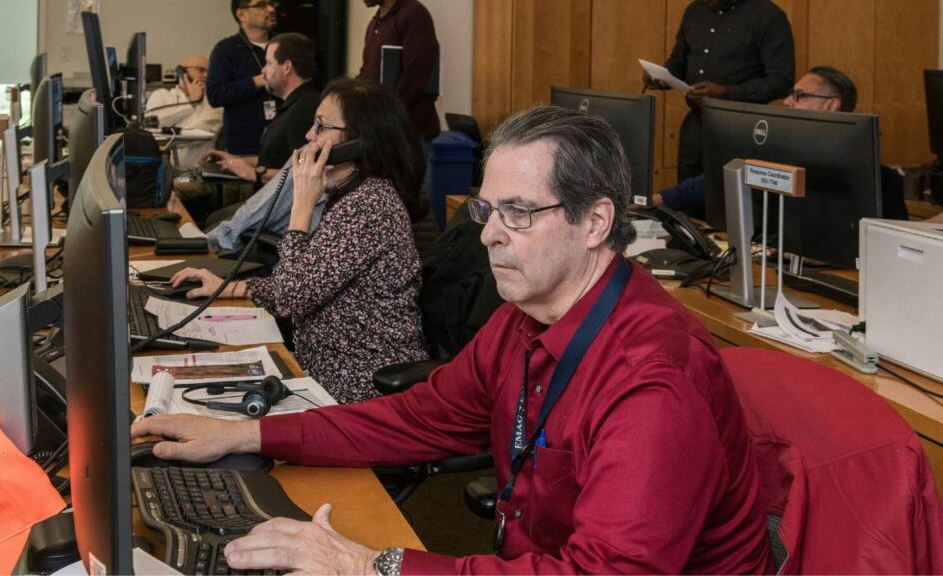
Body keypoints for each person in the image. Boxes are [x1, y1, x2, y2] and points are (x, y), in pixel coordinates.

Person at [134, 105, 774, 574]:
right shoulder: (524, 321)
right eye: (485, 210)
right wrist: (247, 435)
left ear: (595, 222)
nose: (490, 235)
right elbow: (417, 418)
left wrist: (370, 567)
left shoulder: (655, 379)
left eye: (518, 213)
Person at [171, 79, 428, 404]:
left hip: (359, 388)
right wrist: (228, 287)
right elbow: (303, 280)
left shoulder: (369, 205)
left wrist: (302, 205)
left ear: (359, 141)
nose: (309, 135)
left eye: (321, 126)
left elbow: (292, 295)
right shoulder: (349, 196)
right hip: (322, 373)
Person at [655, 65, 909, 221]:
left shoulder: (878, 179)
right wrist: (657, 200)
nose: (788, 102)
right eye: (790, 94)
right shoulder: (778, 153)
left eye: (800, 96)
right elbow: (718, 179)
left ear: (832, 104)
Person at [649, 0, 795, 182]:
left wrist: (726, 93)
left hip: (742, 129)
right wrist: (662, 77)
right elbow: (678, 63)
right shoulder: (695, 10)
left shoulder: (768, 16)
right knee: (685, 201)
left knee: (729, 198)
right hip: (696, 126)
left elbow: (781, 81)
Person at [204, 32, 323, 227]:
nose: (264, 72)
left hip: (283, 215)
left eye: (268, 63)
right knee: (214, 220)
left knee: (213, 225)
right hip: (273, 205)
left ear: (286, 67)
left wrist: (255, 173)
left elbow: (305, 177)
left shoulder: (304, 110)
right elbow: (279, 159)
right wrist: (237, 160)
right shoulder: (292, 105)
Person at [359, 0, 441, 143]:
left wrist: (386, 115)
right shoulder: (375, 24)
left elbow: (416, 76)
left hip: (408, 135)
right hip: (382, 131)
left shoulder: (414, 14)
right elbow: (367, 73)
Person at [208, 0, 277, 156]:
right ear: (241, 14)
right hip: (243, 147)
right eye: (261, 5)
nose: (271, 9)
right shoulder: (226, 49)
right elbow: (215, 95)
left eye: (272, 4)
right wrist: (256, 82)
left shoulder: (285, 45)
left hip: (283, 144)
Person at [144, 55, 223, 169]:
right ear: (182, 72)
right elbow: (154, 124)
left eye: (209, 72)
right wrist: (190, 102)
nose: (206, 75)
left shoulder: (214, 102)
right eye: (200, 70)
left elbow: (205, 131)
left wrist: (170, 132)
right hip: (162, 170)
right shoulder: (161, 95)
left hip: (198, 169)